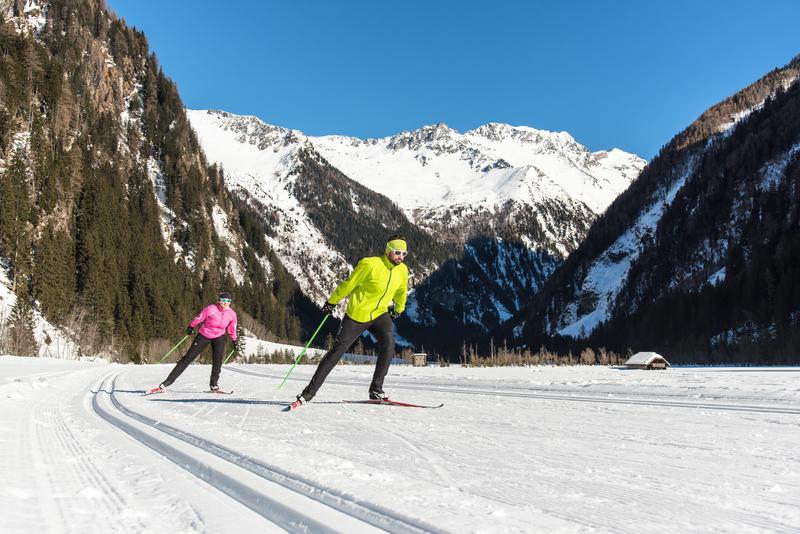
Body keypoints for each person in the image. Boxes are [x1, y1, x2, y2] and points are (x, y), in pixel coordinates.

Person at [288, 235, 409, 410]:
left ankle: (376, 389)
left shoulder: (402, 270)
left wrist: (399, 308)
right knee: (337, 351)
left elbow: (401, 290)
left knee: (389, 345)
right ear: (388, 250)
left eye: (404, 253)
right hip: (357, 315)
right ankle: (309, 392)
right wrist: (332, 301)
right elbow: (349, 284)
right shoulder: (370, 264)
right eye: (397, 252)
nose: (400, 256)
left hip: (380, 313)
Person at [148, 291, 239, 394]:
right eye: (223, 300)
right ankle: (167, 383)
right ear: (219, 301)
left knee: (217, 361)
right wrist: (191, 326)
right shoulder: (211, 309)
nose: (226, 303)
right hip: (205, 335)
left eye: (228, 301)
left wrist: (235, 340)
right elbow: (199, 318)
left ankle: (214, 385)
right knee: (188, 357)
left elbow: (232, 329)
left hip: (219, 336)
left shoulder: (232, 314)